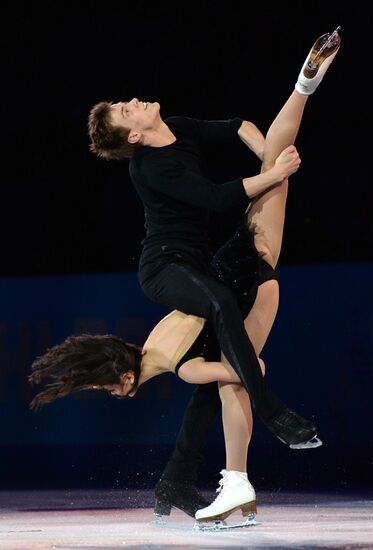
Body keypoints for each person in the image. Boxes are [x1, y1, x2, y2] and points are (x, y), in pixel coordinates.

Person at [87, 27, 340, 521]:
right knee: (232, 306)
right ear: (133, 135)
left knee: (229, 347)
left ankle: (229, 479)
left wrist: (269, 162)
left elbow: (238, 127)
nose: (133, 100)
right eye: (125, 109)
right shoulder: (148, 168)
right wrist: (272, 173)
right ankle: (243, 448)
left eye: (124, 102)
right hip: (172, 268)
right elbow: (216, 198)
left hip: (214, 269)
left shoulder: (176, 127)